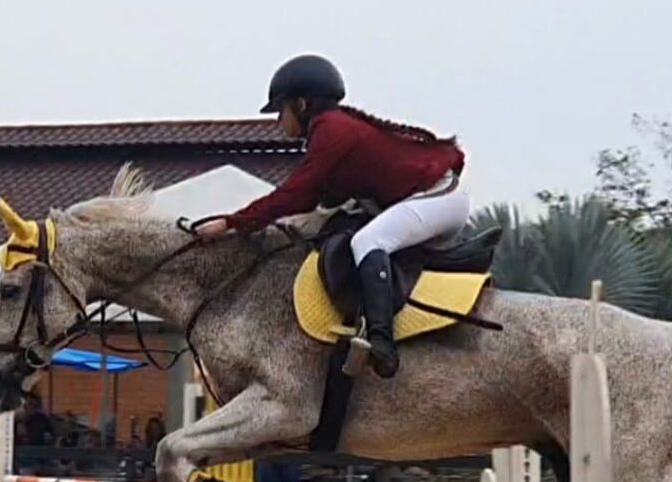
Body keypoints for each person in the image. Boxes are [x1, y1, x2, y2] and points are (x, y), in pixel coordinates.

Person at [198, 54, 470, 379]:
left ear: (301, 105)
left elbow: (296, 193)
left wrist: (232, 222)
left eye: (280, 111)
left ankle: (381, 342)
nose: (278, 122)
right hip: (425, 198)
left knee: (368, 241)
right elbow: (314, 201)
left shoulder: (332, 130)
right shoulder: (331, 128)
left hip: (439, 197)